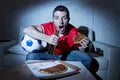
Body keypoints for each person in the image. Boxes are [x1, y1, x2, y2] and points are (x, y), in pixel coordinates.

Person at [23, 5, 93, 69]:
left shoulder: (74, 31)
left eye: (64, 18)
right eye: (56, 18)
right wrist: (47, 38)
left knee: (88, 59)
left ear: (68, 20)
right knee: (30, 56)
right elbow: (27, 30)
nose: (60, 22)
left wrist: (84, 48)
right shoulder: (48, 26)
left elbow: (82, 49)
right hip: (50, 53)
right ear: (53, 19)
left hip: (67, 55)